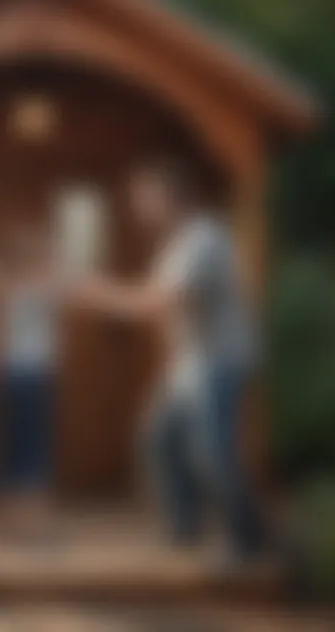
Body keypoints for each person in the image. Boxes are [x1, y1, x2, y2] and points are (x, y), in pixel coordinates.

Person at [76, 161, 265, 566]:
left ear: (171, 198)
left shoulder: (203, 240)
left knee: (214, 454)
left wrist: (94, 294)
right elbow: (153, 293)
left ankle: (246, 541)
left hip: (218, 362)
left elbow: (159, 302)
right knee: (159, 437)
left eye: (145, 198)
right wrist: (100, 292)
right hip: (190, 365)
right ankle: (185, 527)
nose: (138, 207)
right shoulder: (178, 243)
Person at [0, 224, 65, 541]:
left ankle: (13, 525)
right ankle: (34, 525)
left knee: (15, 447)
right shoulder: (43, 286)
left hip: (11, 373)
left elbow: (1, 336)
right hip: (33, 374)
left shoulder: (6, 288)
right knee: (35, 448)